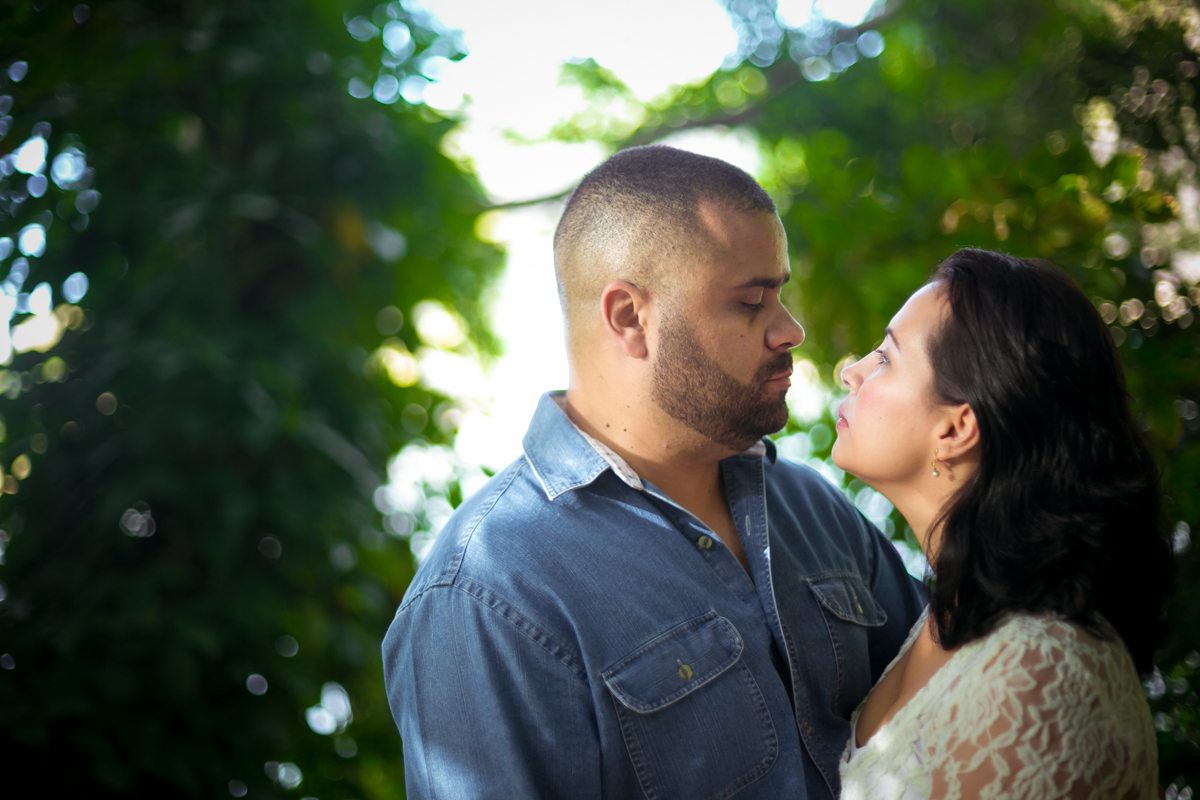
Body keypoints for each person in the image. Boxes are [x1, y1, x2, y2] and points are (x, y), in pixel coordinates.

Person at [382, 145, 925, 799]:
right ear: (629, 318)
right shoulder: (487, 593)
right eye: (752, 303)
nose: (790, 330)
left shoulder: (810, 506)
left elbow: (949, 701)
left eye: (780, 295)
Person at [834, 249, 1173, 799]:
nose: (852, 373)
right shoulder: (947, 618)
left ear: (956, 428)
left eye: (885, 358)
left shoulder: (1040, 672)